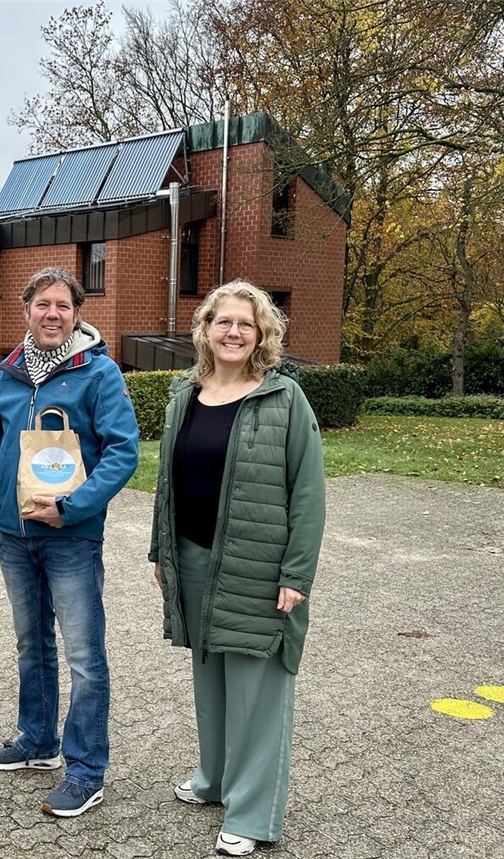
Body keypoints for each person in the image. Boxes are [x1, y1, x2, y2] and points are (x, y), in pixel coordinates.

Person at [148, 280, 325, 856]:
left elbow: (309, 493)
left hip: (259, 566)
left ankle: (252, 815)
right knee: (212, 683)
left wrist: (296, 574)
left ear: (262, 335)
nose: (233, 332)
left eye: (245, 324)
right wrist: (162, 552)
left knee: (257, 690)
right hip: (195, 558)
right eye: (223, 321)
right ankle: (215, 780)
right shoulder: (185, 396)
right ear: (204, 329)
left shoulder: (284, 399)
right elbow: (166, 483)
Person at [0, 266, 139, 817]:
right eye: (43, 304)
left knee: (84, 656)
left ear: (77, 314)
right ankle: (37, 740)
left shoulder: (99, 374)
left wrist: (71, 508)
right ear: (26, 310)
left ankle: (87, 769)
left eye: (63, 306)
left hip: (71, 536)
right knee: (32, 646)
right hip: (16, 536)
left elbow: (123, 452)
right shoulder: (8, 374)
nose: (53, 314)